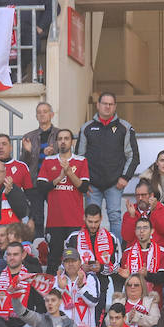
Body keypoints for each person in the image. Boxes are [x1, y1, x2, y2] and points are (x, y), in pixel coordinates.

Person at [77, 92, 140, 231]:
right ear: (98, 105)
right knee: (91, 219)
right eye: (104, 103)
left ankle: (116, 251)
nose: (107, 107)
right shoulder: (86, 128)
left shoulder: (125, 127)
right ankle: (92, 251)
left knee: (115, 217)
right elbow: (79, 157)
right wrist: (84, 182)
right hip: (92, 185)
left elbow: (133, 156)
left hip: (115, 183)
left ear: (115, 106)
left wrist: (125, 177)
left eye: (111, 104)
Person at [36, 130, 91, 273]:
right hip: (55, 221)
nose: (63, 141)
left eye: (66, 138)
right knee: (53, 260)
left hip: (75, 221)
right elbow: (41, 187)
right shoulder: (48, 161)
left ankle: (74, 292)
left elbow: (84, 188)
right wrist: (59, 178)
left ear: (71, 142)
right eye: (60, 138)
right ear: (56, 142)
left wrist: (69, 173)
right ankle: (51, 293)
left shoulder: (80, 161)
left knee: (74, 260)